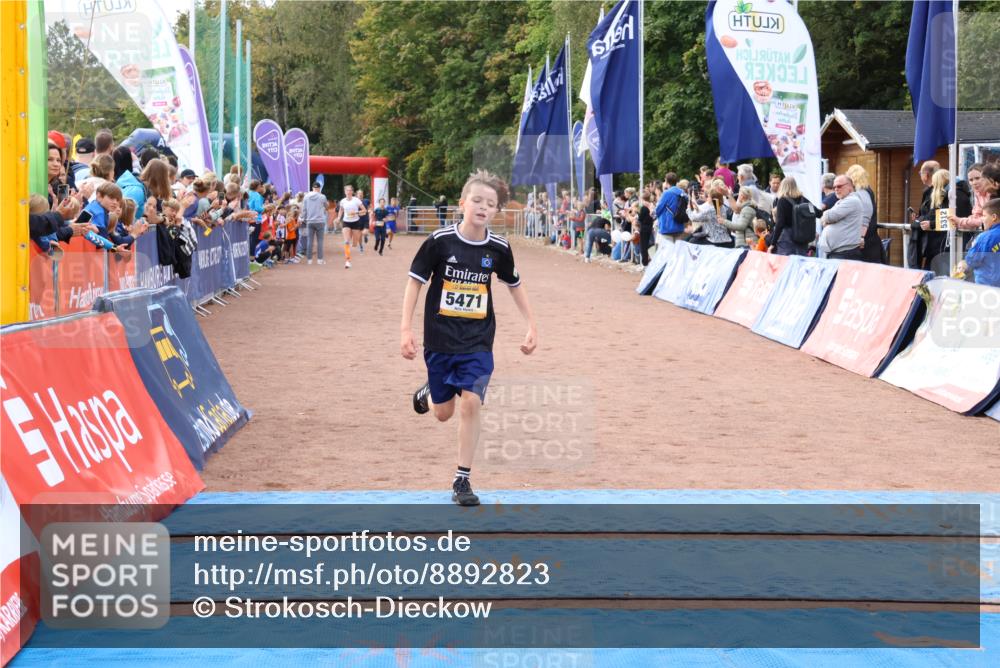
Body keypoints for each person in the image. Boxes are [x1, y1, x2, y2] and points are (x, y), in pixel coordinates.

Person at [401, 170, 537, 507]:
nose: (483, 207)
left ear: (496, 211)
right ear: (462, 203)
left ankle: (462, 478)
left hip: (478, 341)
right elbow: (415, 282)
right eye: (477, 200)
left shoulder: (499, 248)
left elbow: (514, 285)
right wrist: (405, 329)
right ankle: (430, 392)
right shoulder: (439, 242)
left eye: (490, 204)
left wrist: (532, 325)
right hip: (440, 340)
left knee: (472, 402)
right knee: (443, 413)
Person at [954, 198, 1000, 286]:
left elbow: (972, 261)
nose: (982, 219)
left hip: (988, 288)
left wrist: (963, 264)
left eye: (984, 216)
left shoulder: (985, 238)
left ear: (994, 217)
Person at [844, 165, 885, 264]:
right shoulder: (866, 191)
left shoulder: (862, 191)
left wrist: (861, 236)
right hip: (869, 238)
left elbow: (866, 214)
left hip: (865, 239)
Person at [818, 175, 865, 260]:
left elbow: (829, 216)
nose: (836, 189)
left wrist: (827, 217)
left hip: (845, 253)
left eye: (839, 186)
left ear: (849, 187)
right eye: (834, 187)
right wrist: (827, 218)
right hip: (840, 252)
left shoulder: (852, 200)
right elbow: (825, 219)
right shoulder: (842, 201)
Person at [770, 176, 812, 256]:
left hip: (787, 238)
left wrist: (773, 243)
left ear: (783, 186)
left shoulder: (782, 201)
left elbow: (780, 223)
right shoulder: (803, 199)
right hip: (802, 236)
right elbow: (815, 212)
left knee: (787, 261)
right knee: (801, 260)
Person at [335, 184, 366, 268]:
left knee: (354, 244)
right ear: (345, 192)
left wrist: (355, 212)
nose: (348, 192)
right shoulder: (342, 201)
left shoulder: (356, 200)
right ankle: (348, 261)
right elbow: (341, 210)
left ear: (352, 192)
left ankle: (356, 240)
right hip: (346, 222)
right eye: (347, 190)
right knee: (346, 241)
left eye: (350, 190)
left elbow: (364, 210)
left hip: (356, 222)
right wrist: (338, 218)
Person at [654, 172, 686, 249]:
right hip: (680, 225)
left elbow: (658, 209)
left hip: (667, 226)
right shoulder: (683, 192)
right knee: (678, 251)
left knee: (668, 251)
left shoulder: (667, 193)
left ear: (666, 181)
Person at [301, 181, 329, 265]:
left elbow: (304, 210)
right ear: (319, 188)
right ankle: (320, 260)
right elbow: (327, 206)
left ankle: (309, 260)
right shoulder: (322, 196)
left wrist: (303, 219)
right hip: (320, 221)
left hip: (310, 221)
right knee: (320, 241)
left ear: (312, 188)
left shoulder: (306, 197)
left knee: (310, 240)